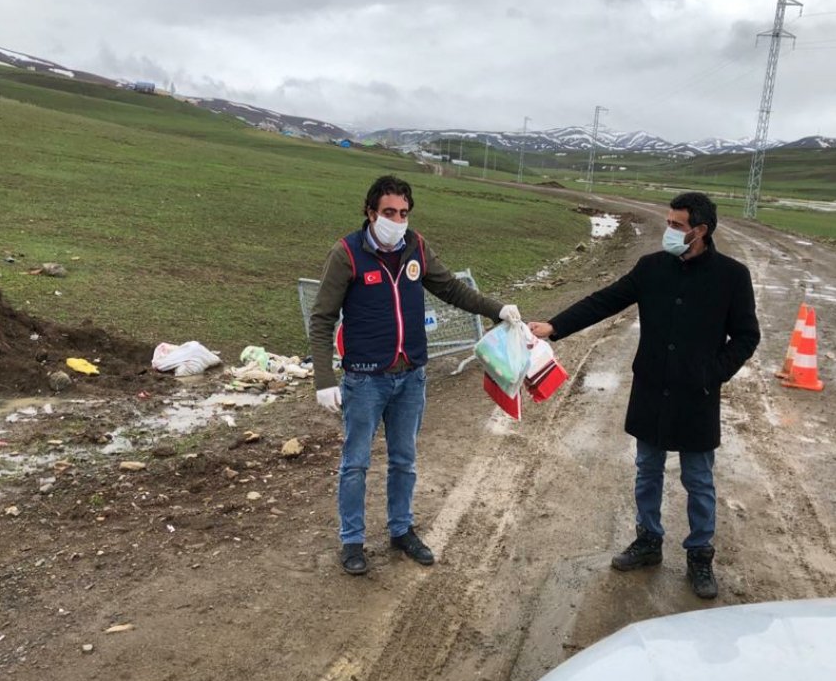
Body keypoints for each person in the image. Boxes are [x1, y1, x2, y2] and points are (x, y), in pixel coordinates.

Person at [528, 192, 759, 599]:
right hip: (652, 389)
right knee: (647, 470)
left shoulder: (731, 277)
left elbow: (746, 336)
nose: (667, 230)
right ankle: (648, 540)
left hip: (696, 396)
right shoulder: (651, 268)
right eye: (668, 222)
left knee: (698, 479)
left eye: (676, 225)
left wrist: (713, 374)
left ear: (700, 231)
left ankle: (699, 555)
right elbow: (605, 300)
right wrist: (555, 326)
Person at [310, 175, 521, 576]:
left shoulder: (416, 247)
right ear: (371, 213)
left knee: (404, 460)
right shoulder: (347, 254)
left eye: (403, 213)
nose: (397, 220)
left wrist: (497, 310)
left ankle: (401, 530)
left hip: (411, 377)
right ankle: (352, 540)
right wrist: (323, 379)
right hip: (365, 380)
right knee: (355, 464)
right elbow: (321, 318)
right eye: (389, 212)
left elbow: (454, 290)